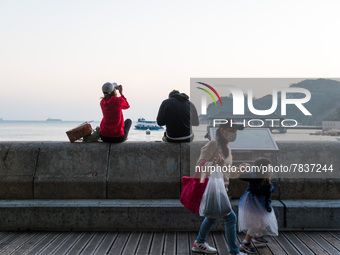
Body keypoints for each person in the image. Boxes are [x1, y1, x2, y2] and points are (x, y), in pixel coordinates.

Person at [192, 121, 246, 255]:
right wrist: (214, 162)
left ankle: (199, 242)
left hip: (222, 188)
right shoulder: (213, 144)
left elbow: (227, 172)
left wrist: (239, 170)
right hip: (214, 189)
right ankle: (234, 252)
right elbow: (200, 165)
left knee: (212, 217)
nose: (235, 133)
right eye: (232, 130)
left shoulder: (227, 147)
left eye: (236, 130)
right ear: (222, 130)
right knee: (230, 218)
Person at [238, 157, 278, 254]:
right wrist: (249, 169)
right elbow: (242, 176)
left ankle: (258, 237)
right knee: (255, 223)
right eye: (269, 167)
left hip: (261, 203)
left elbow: (268, 195)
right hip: (252, 203)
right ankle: (245, 243)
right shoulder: (255, 177)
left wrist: (268, 205)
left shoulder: (266, 180)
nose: (271, 169)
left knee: (264, 220)